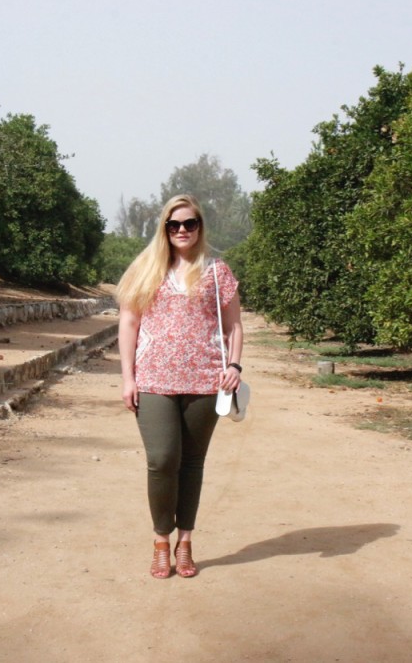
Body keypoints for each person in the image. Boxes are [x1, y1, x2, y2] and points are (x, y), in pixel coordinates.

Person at [116, 194, 244, 579]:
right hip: (153, 379)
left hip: (206, 380)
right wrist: (127, 377)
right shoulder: (146, 268)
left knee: (191, 463)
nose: (182, 231)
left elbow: (234, 324)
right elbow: (128, 323)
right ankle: (160, 540)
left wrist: (234, 364)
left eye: (190, 224)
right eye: (174, 225)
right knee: (162, 459)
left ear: (200, 227)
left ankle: (184, 541)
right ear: (164, 229)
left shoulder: (217, 271)